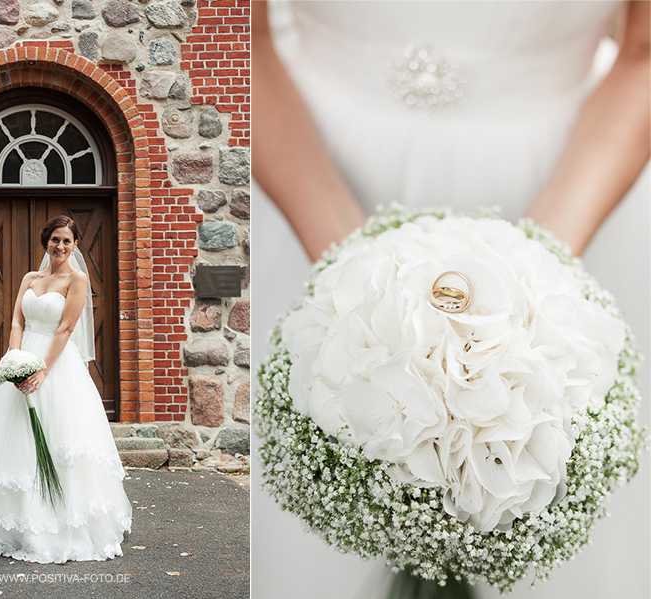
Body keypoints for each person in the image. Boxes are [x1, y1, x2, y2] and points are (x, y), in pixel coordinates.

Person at [251, 1, 649, 598]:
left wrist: (538, 275)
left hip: (577, 176)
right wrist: (354, 276)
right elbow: (233, 34)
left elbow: (644, 50)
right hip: (305, 162)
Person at [0, 215, 132, 563]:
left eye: (67, 241)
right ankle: (7, 522)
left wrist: (42, 370)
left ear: (75, 245)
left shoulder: (76, 280)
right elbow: (17, 321)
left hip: (57, 366)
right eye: (55, 240)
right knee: (13, 443)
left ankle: (57, 523)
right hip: (23, 357)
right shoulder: (31, 278)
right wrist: (15, 360)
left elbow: (64, 329)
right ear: (46, 241)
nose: (60, 246)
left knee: (60, 439)